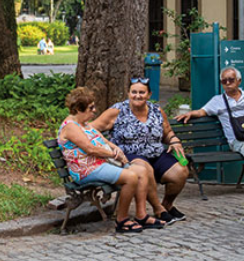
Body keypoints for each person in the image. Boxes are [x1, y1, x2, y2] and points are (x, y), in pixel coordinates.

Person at [58, 87, 161, 233]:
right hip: (86, 170)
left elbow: (103, 140)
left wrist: (115, 148)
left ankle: (141, 215)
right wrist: (112, 155)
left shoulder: (85, 124)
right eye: (91, 108)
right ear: (79, 109)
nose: (94, 110)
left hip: (100, 164)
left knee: (142, 171)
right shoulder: (70, 127)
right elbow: (90, 149)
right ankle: (122, 220)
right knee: (131, 177)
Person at [92, 78, 189, 223]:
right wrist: (109, 146)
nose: (137, 95)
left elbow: (167, 133)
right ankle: (158, 209)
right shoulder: (117, 111)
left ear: (149, 94)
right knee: (145, 169)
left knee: (181, 172)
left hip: (155, 153)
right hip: (129, 154)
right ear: (128, 93)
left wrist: (174, 141)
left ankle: (167, 205)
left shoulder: (157, 111)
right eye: (134, 92)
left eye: (142, 92)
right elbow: (91, 129)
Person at [176, 66, 244, 157]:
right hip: (238, 141)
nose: (227, 83)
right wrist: (190, 113)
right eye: (224, 81)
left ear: (239, 81)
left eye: (231, 80)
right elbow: (202, 112)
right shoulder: (218, 101)